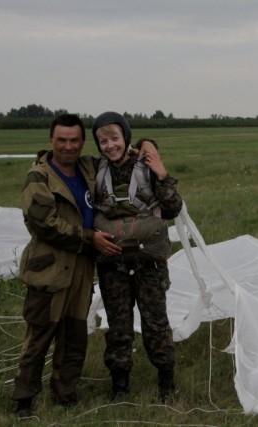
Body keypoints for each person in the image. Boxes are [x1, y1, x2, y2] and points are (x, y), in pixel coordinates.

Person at [11, 114, 157, 419]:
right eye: (62, 140)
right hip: (50, 267)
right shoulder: (39, 178)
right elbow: (45, 225)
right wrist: (89, 238)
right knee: (40, 334)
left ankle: (65, 393)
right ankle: (24, 398)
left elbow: (119, 151)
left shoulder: (88, 167)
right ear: (51, 141)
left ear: (81, 142)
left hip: (81, 267)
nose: (68, 146)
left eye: (74, 140)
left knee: (75, 334)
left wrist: (145, 145)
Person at [91, 112, 182, 403]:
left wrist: (162, 174)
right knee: (118, 325)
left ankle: (166, 384)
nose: (109, 145)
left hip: (148, 263)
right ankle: (119, 386)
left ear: (126, 137)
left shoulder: (145, 166)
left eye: (115, 138)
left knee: (155, 322)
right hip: (112, 263)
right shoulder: (95, 170)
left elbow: (172, 209)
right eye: (102, 140)